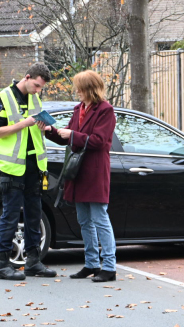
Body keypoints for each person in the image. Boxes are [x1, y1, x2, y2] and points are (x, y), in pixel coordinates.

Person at [43, 70, 117, 283]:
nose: (77, 92)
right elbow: (67, 137)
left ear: (90, 89)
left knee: (100, 219)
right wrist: (50, 130)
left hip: (94, 171)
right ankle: (91, 264)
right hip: (78, 172)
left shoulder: (106, 110)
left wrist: (73, 135)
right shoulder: (79, 109)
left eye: (80, 88)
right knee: (84, 220)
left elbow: (101, 141)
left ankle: (109, 267)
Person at [0, 63, 57, 280]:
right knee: (10, 214)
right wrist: (26, 123)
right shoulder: (3, 98)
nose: (38, 90)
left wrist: (44, 127)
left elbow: (35, 132)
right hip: (11, 167)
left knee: (34, 213)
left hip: (34, 165)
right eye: (36, 85)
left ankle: (33, 262)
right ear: (27, 77)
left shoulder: (35, 98)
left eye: (41, 88)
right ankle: (2, 265)